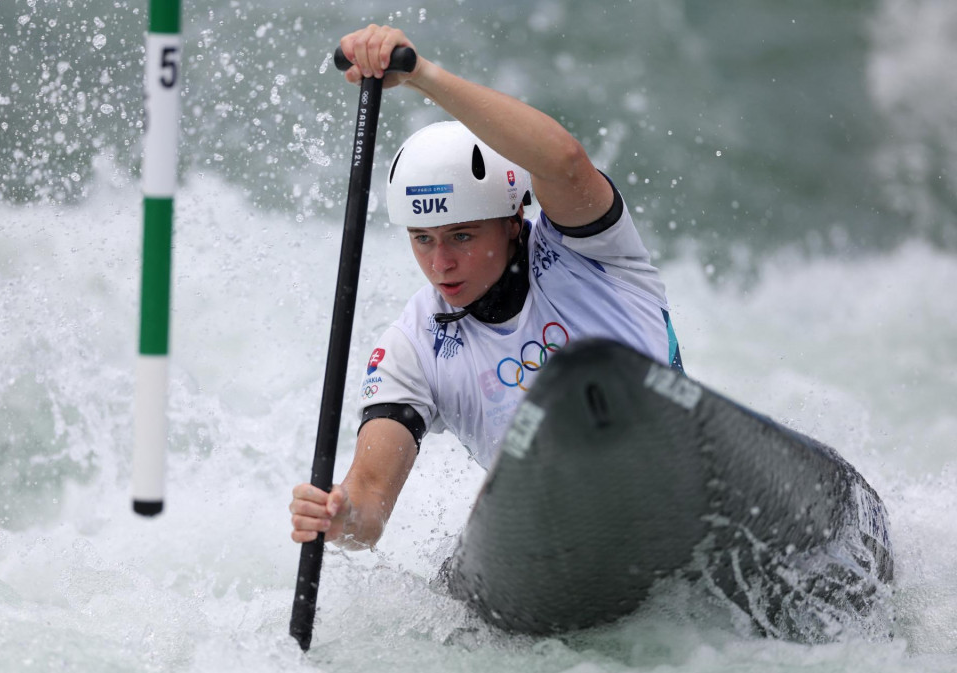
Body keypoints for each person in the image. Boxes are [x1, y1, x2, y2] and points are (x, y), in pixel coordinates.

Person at [290, 24, 683, 550]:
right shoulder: (412, 348)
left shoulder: (590, 251)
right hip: (557, 535)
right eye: (423, 239)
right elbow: (369, 507)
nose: (441, 263)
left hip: (669, 464)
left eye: (462, 235)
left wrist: (424, 76)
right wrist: (340, 519)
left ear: (514, 219)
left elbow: (563, 161)